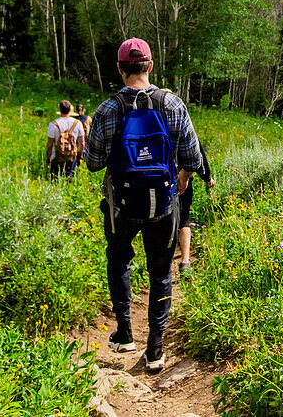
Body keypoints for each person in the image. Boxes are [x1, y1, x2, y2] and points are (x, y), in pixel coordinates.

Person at [85, 38, 204, 372]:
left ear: (121, 69)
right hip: (164, 206)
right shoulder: (172, 104)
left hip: (121, 205)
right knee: (161, 273)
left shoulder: (108, 109)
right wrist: (181, 174)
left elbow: (93, 163)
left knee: (119, 260)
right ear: (150, 66)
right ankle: (155, 349)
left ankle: (124, 332)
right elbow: (193, 157)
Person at [177, 145, 215, 277]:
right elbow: (197, 153)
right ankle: (185, 262)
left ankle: (160, 262)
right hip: (183, 182)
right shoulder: (181, 124)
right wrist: (207, 177)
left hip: (157, 182)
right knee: (184, 220)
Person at [45, 100, 84, 181]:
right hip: (72, 157)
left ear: (59, 110)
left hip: (56, 157)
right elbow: (82, 143)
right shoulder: (78, 123)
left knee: (55, 183)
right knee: (70, 182)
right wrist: (80, 157)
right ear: (70, 110)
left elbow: (49, 144)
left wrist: (48, 159)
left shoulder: (53, 124)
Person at [74, 104, 92, 168]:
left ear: (76, 110)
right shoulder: (88, 118)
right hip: (85, 139)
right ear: (84, 110)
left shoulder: (73, 119)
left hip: (76, 139)